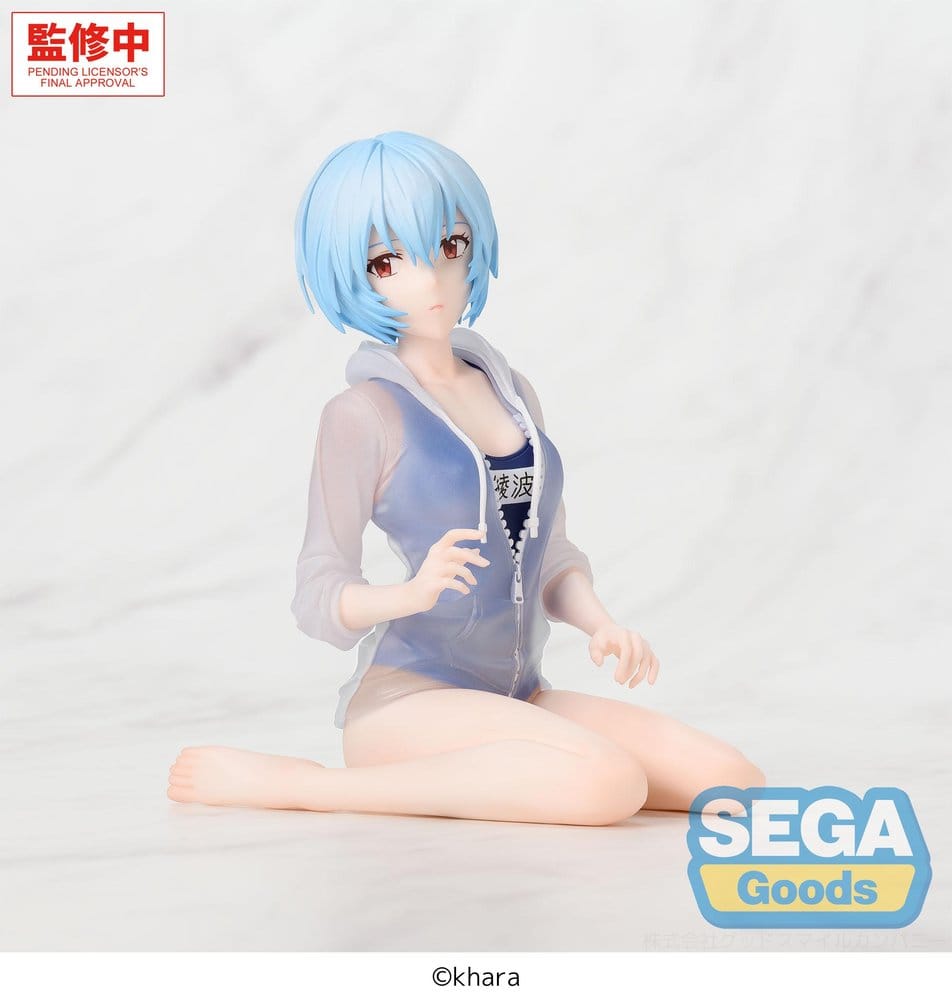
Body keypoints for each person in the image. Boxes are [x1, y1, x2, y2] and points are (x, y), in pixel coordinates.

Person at [167, 131, 765, 825]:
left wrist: (600, 623)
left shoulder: (513, 394)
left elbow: (549, 552)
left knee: (734, 784)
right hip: (409, 703)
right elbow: (317, 594)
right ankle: (302, 784)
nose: (430, 281)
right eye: (387, 261)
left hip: (517, 692)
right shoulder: (363, 415)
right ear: (351, 273)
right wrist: (409, 595)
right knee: (607, 785)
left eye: (450, 247)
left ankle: (538, 762)